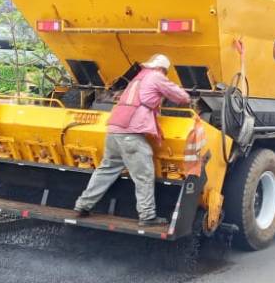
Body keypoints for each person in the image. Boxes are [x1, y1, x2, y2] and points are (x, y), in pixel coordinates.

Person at [74, 54, 191, 226]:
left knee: (106, 169)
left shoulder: (137, 79)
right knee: (143, 174)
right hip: (131, 134)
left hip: (113, 131)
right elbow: (180, 96)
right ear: (162, 69)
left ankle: (83, 205)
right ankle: (147, 216)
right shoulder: (156, 76)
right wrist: (187, 98)